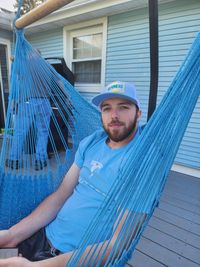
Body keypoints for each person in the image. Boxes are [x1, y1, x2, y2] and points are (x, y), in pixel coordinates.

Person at [0, 81, 145, 267]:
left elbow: (117, 245)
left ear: (138, 113)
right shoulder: (92, 143)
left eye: (123, 107)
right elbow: (60, 196)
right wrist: (13, 235)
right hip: (41, 238)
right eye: (107, 108)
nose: (114, 115)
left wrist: (34, 266)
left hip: (69, 260)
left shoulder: (141, 161)